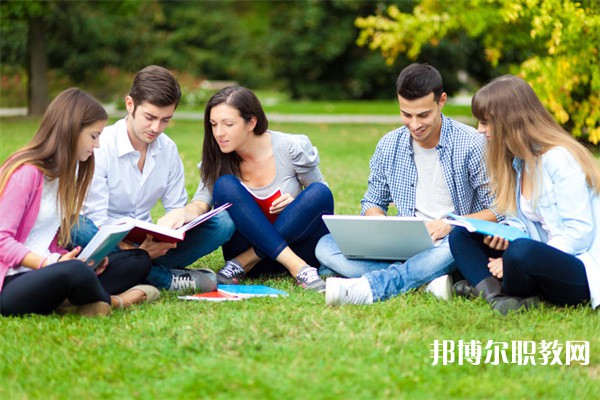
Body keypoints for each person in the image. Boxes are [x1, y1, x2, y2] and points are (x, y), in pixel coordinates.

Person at [319, 63, 498, 306]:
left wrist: (450, 224)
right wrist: (378, 225)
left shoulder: (471, 144)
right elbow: (373, 201)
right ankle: (427, 281)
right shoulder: (389, 145)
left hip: (452, 241)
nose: (414, 124)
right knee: (325, 246)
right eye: (406, 114)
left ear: (441, 101)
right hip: (404, 244)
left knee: (453, 245)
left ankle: (373, 287)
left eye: (423, 115)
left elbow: (497, 210)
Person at [74, 65, 235, 292]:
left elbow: (176, 209)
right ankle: (164, 279)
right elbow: (97, 220)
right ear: (130, 104)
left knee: (222, 224)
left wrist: (172, 231)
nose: (156, 128)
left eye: (165, 120)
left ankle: (136, 270)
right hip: (108, 243)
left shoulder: (167, 149)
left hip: (150, 244)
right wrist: (135, 251)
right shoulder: (101, 146)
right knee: (78, 227)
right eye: (149, 117)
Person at [448, 75, 600, 314]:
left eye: (486, 122)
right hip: (536, 257)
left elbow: (579, 233)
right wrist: (505, 235)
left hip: (579, 268)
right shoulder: (519, 163)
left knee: (521, 252)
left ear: (510, 121)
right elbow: (525, 224)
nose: (480, 130)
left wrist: (512, 256)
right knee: (462, 234)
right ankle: (497, 297)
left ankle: (488, 286)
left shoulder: (559, 159)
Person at [0, 88, 157, 317]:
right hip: (10, 282)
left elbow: (45, 239)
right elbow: (2, 241)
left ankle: (72, 298)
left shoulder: (63, 176)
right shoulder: (26, 173)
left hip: (50, 272)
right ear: (71, 131)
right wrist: (49, 264)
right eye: (94, 136)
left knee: (137, 260)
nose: (98, 145)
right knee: (74, 271)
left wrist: (74, 258)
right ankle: (114, 301)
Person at [181, 86, 334, 292]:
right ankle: (298, 269)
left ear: (251, 122)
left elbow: (321, 200)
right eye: (213, 124)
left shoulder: (290, 148)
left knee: (319, 192)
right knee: (225, 185)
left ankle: (248, 260)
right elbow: (201, 202)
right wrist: (182, 214)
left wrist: (298, 201)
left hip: (292, 250)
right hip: (247, 256)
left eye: (228, 124)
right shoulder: (217, 158)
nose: (218, 133)